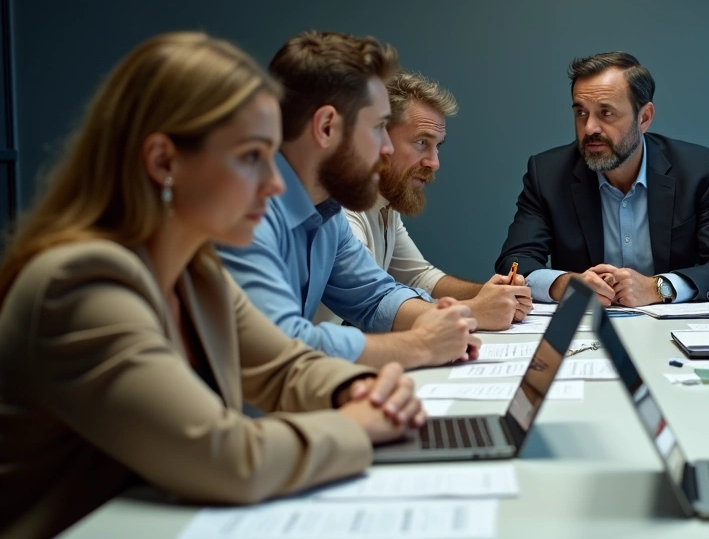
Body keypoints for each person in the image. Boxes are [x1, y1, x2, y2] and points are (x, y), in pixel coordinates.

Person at [0, 33, 438, 538]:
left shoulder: (195, 271)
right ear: (164, 162)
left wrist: (356, 389)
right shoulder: (81, 283)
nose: (276, 184)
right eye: (251, 157)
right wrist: (360, 423)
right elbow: (229, 458)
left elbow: (284, 366)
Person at [219, 32, 480, 368]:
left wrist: (438, 320)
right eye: (378, 128)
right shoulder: (246, 212)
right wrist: (421, 344)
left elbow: (376, 296)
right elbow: (283, 343)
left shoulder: (326, 212)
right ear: (326, 127)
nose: (387, 148)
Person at [496, 51, 709, 307]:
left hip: (670, 326)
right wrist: (564, 284)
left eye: (606, 113)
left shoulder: (697, 170)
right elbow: (515, 261)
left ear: (644, 118)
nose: (589, 128)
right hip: (587, 324)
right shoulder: (548, 174)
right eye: (581, 112)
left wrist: (657, 288)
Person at [315, 71, 532, 329]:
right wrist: (473, 310)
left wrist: (492, 295)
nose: (434, 162)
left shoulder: (385, 204)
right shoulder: (340, 208)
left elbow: (419, 277)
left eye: (437, 146)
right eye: (421, 142)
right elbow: (372, 304)